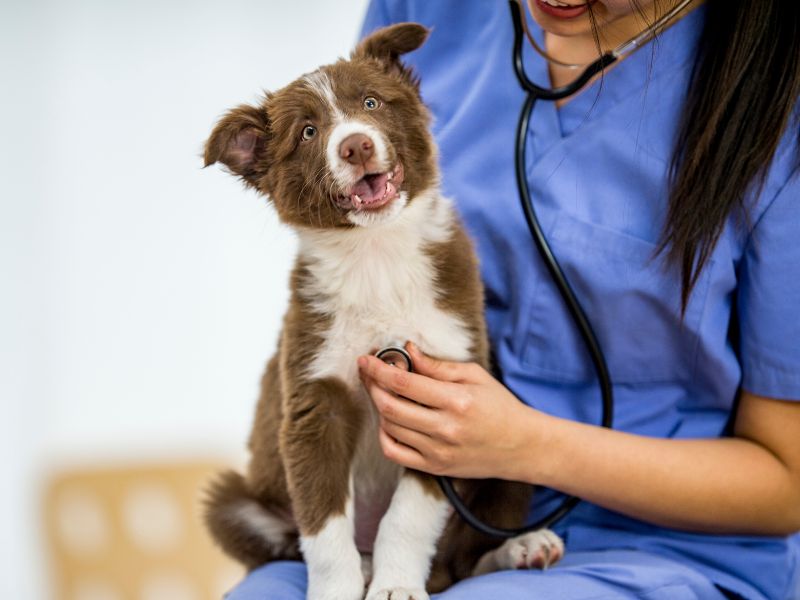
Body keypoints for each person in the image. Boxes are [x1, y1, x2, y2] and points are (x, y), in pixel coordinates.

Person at [225, 1, 800, 598]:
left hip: (663, 544)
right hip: (395, 508)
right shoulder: (426, 11)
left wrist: (525, 445)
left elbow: (789, 482)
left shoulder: (780, 101)